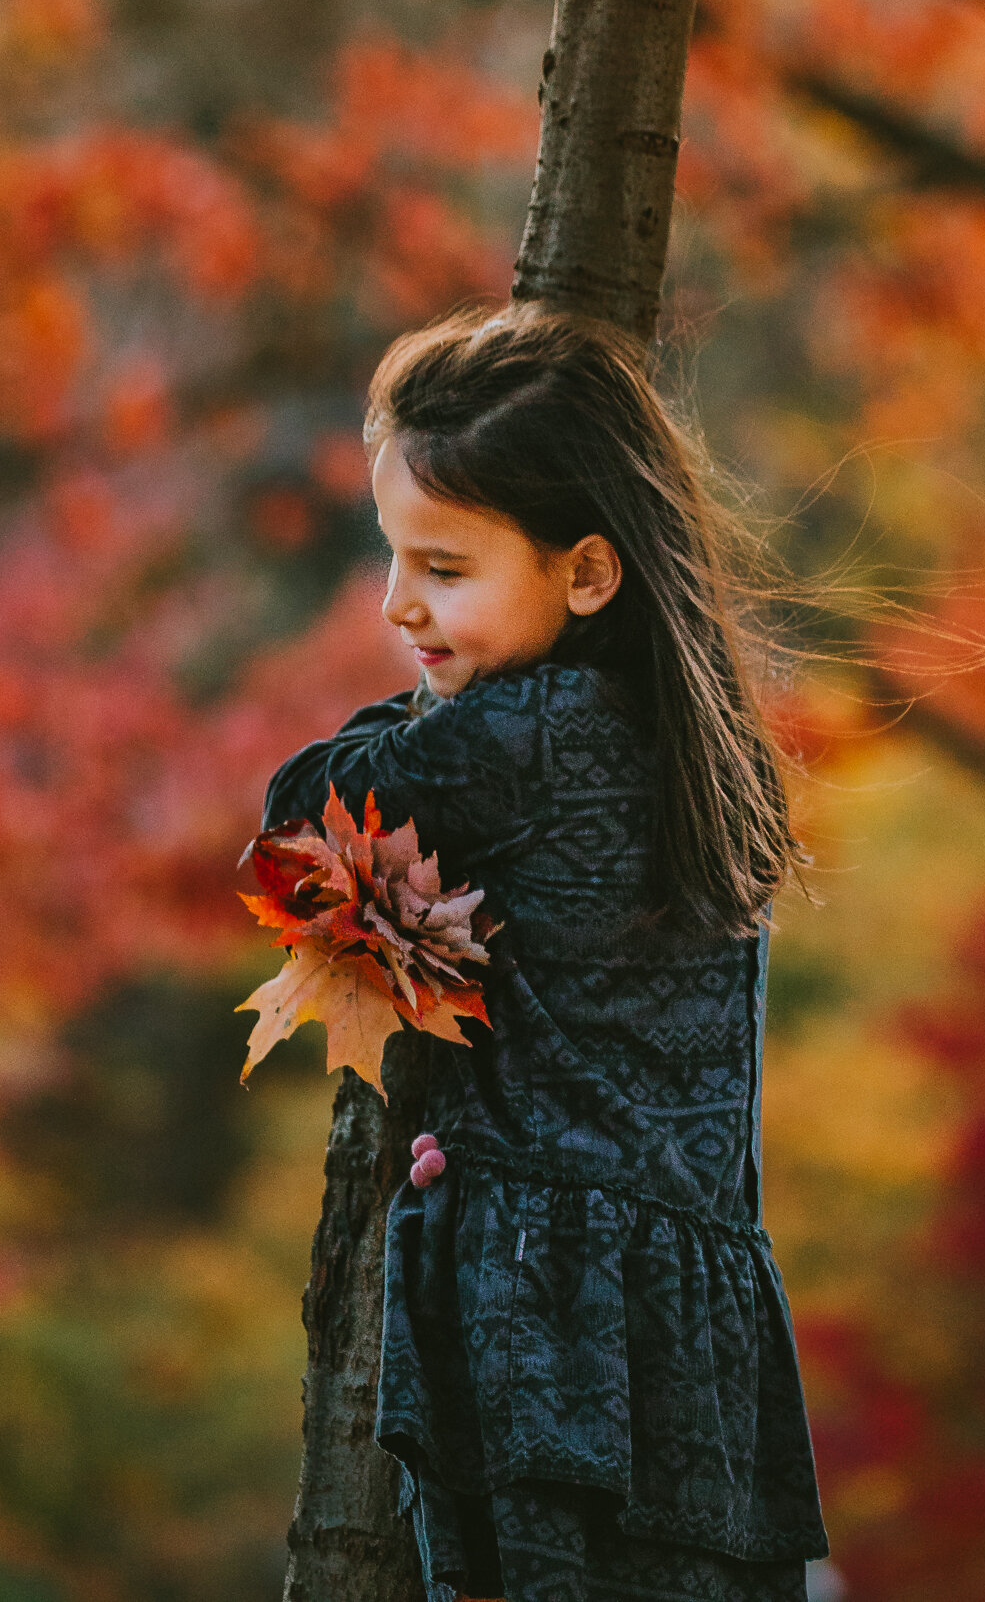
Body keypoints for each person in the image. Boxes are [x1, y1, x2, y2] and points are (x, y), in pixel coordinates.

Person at [261, 299, 828, 1602]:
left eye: (444, 569)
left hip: (549, 1318)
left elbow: (300, 816)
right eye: (393, 555)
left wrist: (414, 715)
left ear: (586, 571)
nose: (400, 602)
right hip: (697, 1330)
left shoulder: (515, 735)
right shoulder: (709, 743)